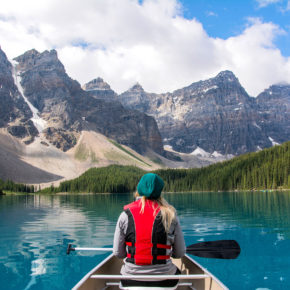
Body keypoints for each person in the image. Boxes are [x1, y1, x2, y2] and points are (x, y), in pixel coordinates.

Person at [113, 173, 186, 288]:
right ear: (159, 191)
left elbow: (118, 253)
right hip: (165, 281)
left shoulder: (125, 216)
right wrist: (167, 252)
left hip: (130, 280)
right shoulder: (171, 216)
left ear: (139, 190)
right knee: (177, 272)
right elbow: (179, 253)